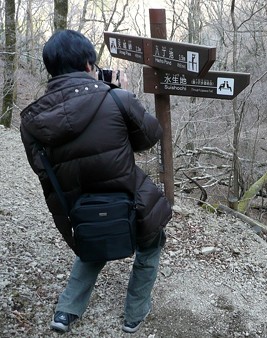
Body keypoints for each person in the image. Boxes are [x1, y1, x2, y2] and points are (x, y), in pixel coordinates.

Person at [20, 29, 172, 334]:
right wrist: (119, 93)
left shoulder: (32, 121)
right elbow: (150, 136)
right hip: (132, 200)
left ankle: (66, 311)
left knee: (94, 243)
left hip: (82, 208)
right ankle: (135, 313)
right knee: (151, 244)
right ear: (90, 65)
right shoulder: (116, 98)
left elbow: (43, 170)